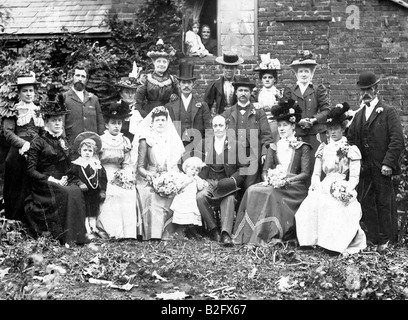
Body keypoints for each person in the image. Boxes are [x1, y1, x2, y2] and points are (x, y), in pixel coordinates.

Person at [232, 99, 312, 247]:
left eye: (285, 125)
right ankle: (248, 234)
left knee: (270, 193)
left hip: (295, 188)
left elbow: (306, 174)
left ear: (293, 126)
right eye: (279, 125)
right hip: (275, 184)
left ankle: (269, 234)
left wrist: (287, 181)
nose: (281, 129)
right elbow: (265, 170)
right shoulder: (273, 147)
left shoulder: (303, 147)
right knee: (251, 190)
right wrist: (269, 180)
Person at [295, 103, 367, 255]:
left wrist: (346, 189)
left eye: (336, 129)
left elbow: (354, 177)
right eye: (330, 129)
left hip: (341, 183)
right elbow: (316, 173)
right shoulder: (323, 148)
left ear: (343, 129)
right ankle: (310, 241)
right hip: (325, 183)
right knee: (309, 205)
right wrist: (315, 186)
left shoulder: (350, 149)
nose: (333, 132)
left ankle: (332, 244)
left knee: (334, 206)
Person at [347, 71, 404, 252]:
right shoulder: (358, 115)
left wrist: (388, 163)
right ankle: (373, 239)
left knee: (384, 203)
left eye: (369, 89)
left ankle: (388, 240)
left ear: (376, 89)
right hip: (365, 169)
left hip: (382, 168)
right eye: (363, 89)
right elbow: (351, 140)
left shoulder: (388, 112)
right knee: (367, 203)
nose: (366, 93)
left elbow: (397, 140)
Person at [24, 91, 87, 245]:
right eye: (54, 120)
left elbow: (70, 163)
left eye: (60, 120)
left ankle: (77, 236)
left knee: (76, 191)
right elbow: (31, 170)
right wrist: (50, 179)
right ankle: (64, 237)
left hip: (61, 179)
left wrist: (67, 176)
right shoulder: (38, 142)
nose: (58, 123)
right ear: (46, 122)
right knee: (65, 193)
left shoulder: (63, 141)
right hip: (43, 184)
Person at [136, 106, 185, 241]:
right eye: (158, 120)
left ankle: (171, 232)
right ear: (152, 122)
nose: (161, 123)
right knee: (152, 195)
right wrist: (150, 176)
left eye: (163, 120)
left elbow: (174, 165)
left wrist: (171, 178)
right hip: (149, 176)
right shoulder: (145, 139)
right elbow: (140, 167)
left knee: (178, 191)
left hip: (168, 174)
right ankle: (154, 234)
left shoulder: (171, 139)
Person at [2, 72, 44, 223]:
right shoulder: (13, 110)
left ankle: (33, 223)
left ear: (35, 92)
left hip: (36, 151)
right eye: (25, 91)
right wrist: (23, 144)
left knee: (34, 185)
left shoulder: (39, 110)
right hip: (18, 153)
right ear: (19, 93)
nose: (28, 94)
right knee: (17, 187)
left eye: (31, 91)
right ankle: (14, 222)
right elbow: (8, 133)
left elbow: (43, 132)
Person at [197, 115, 245, 246]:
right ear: (212, 127)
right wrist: (200, 179)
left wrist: (232, 181)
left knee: (229, 199)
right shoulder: (203, 143)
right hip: (209, 181)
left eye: (221, 126)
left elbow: (243, 168)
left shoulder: (235, 145)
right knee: (200, 197)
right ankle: (214, 230)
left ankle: (226, 233)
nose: (218, 129)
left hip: (227, 182)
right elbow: (197, 165)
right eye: (215, 126)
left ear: (226, 127)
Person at [222, 76, 273, 190]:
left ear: (250, 93)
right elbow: (219, 135)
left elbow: (267, 136)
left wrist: (264, 153)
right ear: (236, 92)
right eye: (240, 90)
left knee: (250, 187)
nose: (243, 93)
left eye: (246, 91)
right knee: (234, 186)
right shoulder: (227, 113)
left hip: (252, 155)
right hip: (233, 156)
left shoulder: (259, 112)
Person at [95, 101, 137, 240]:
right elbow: (95, 162)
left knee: (129, 192)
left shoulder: (124, 141)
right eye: (113, 123)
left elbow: (127, 163)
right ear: (107, 124)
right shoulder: (100, 140)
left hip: (120, 175)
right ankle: (111, 231)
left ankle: (127, 233)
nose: (117, 126)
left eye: (119, 123)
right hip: (103, 174)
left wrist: (125, 175)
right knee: (112, 193)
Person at [283, 50, 331, 163]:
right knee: (297, 164)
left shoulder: (318, 89)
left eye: (306, 71)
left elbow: (326, 110)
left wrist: (313, 119)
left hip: (316, 133)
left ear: (312, 74)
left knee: (316, 163)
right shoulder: (290, 91)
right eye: (300, 71)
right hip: (297, 132)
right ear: (296, 74)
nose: (303, 74)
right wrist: (299, 121)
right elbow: (285, 112)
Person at [69, 132, 107, 240]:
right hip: (83, 193)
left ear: (94, 152)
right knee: (85, 211)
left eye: (90, 151)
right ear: (79, 151)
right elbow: (71, 176)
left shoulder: (97, 165)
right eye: (84, 150)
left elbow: (103, 179)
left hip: (94, 192)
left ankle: (93, 228)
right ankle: (86, 230)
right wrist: (79, 183)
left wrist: (103, 190)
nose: (87, 153)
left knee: (93, 211)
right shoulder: (76, 164)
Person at [165, 63, 211, 151]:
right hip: (176, 148)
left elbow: (208, 129)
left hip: (197, 147)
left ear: (193, 84)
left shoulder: (202, 106)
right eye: (183, 82)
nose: (186, 85)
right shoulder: (170, 106)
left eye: (189, 82)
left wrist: (207, 148)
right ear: (179, 84)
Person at [63, 63, 105, 147]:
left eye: (83, 76)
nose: (80, 79)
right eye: (77, 75)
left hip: (91, 145)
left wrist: (100, 141)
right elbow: (61, 123)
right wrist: (64, 141)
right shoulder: (64, 97)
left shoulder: (93, 99)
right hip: (72, 143)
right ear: (72, 77)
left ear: (86, 79)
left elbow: (100, 123)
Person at [135, 39, 180, 115]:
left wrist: (175, 97)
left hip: (168, 113)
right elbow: (138, 102)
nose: (161, 64)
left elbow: (180, 98)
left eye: (164, 62)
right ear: (154, 62)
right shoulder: (146, 78)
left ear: (168, 63)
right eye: (159, 61)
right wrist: (144, 117)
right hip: (149, 113)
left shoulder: (173, 80)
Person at [170, 156, 207, 239]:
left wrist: (200, 181)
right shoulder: (183, 177)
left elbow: (200, 187)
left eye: (197, 170)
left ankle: (190, 232)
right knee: (185, 214)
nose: (194, 172)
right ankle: (192, 233)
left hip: (191, 200)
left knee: (191, 215)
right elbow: (178, 187)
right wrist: (188, 182)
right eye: (192, 169)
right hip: (183, 199)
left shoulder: (196, 179)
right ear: (186, 169)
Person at [252, 53, 282, 143]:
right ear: (261, 79)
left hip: (275, 124)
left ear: (275, 79)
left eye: (270, 77)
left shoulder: (279, 94)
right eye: (265, 77)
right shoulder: (257, 93)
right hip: (261, 123)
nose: (267, 80)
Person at [203, 52, 244, 116]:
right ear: (222, 68)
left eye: (232, 68)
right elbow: (206, 105)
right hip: (221, 117)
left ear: (236, 68)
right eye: (227, 67)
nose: (229, 70)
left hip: (237, 117)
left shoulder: (241, 85)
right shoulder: (215, 85)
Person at [114, 76, 147, 143]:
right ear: (121, 94)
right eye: (127, 92)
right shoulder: (114, 110)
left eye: (133, 92)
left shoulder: (141, 113)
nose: (130, 95)